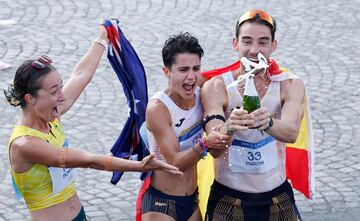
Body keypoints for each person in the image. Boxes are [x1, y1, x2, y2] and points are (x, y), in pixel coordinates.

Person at [4, 26, 182, 221]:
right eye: (54, 91)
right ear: (30, 98)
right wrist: (139, 166)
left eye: (61, 87)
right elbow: (88, 160)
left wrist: (103, 37)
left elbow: (81, 75)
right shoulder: (25, 144)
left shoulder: (50, 117)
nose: (62, 97)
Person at [201, 9, 305, 220]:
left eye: (263, 42)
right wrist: (229, 127)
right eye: (247, 41)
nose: (254, 50)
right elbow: (213, 148)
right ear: (235, 43)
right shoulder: (217, 86)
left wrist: (267, 122)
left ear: (273, 46)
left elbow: (292, 132)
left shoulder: (289, 84)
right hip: (229, 197)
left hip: (277, 196)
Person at [140, 32, 231, 221]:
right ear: (167, 72)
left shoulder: (203, 88)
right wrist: (206, 145)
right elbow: (174, 162)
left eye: (196, 68)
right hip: (162, 203)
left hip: (193, 200)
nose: (191, 77)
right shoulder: (158, 109)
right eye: (183, 70)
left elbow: (232, 81)